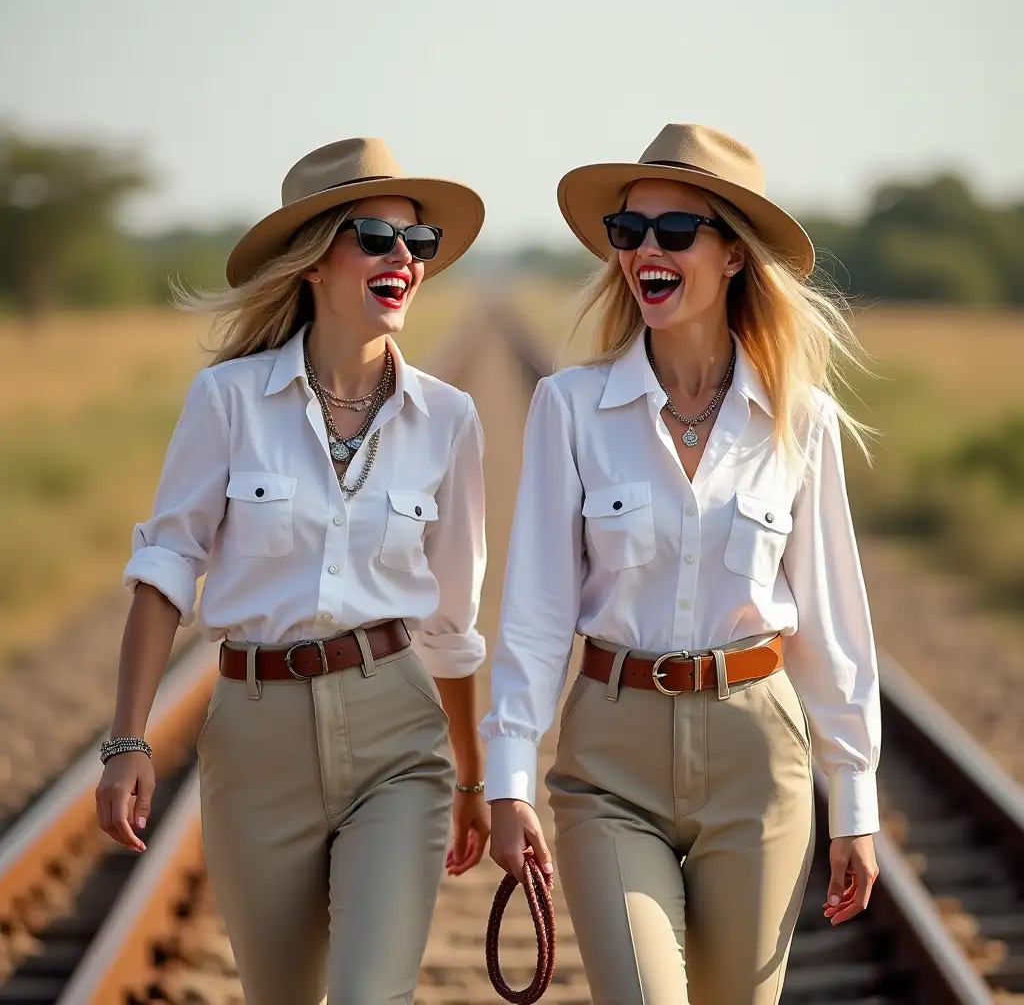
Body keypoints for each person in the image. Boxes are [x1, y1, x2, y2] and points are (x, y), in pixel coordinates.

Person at [482, 123, 881, 1004]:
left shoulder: (798, 420)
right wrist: (507, 777)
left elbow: (832, 619)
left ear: (734, 255)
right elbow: (538, 614)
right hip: (610, 761)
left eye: (674, 232)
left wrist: (854, 798)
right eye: (628, 232)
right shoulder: (571, 407)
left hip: (758, 760)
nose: (645, 252)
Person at [95, 136, 491, 1004]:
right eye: (376, 237)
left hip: (398, 733)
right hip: (256, 733)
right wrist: (128, 741)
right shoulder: (228, 400)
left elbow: (453, 626)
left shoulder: (450, 420)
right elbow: (166, 569)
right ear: (313, 259)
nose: (403, 259)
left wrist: (471, 776)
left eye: (416, 244)